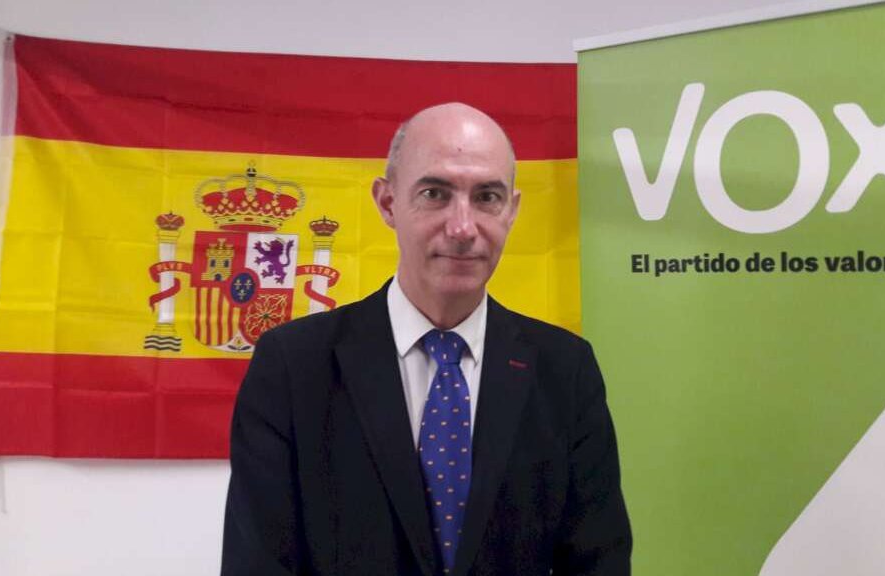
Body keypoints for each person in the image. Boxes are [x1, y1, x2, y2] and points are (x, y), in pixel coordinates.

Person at [221, 103, 631, 575]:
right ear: (387, 203)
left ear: (512, 211)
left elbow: (599, 562)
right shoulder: (293, 367)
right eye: (435, 194)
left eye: (487, 197)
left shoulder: (565, 370)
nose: (462, 228)